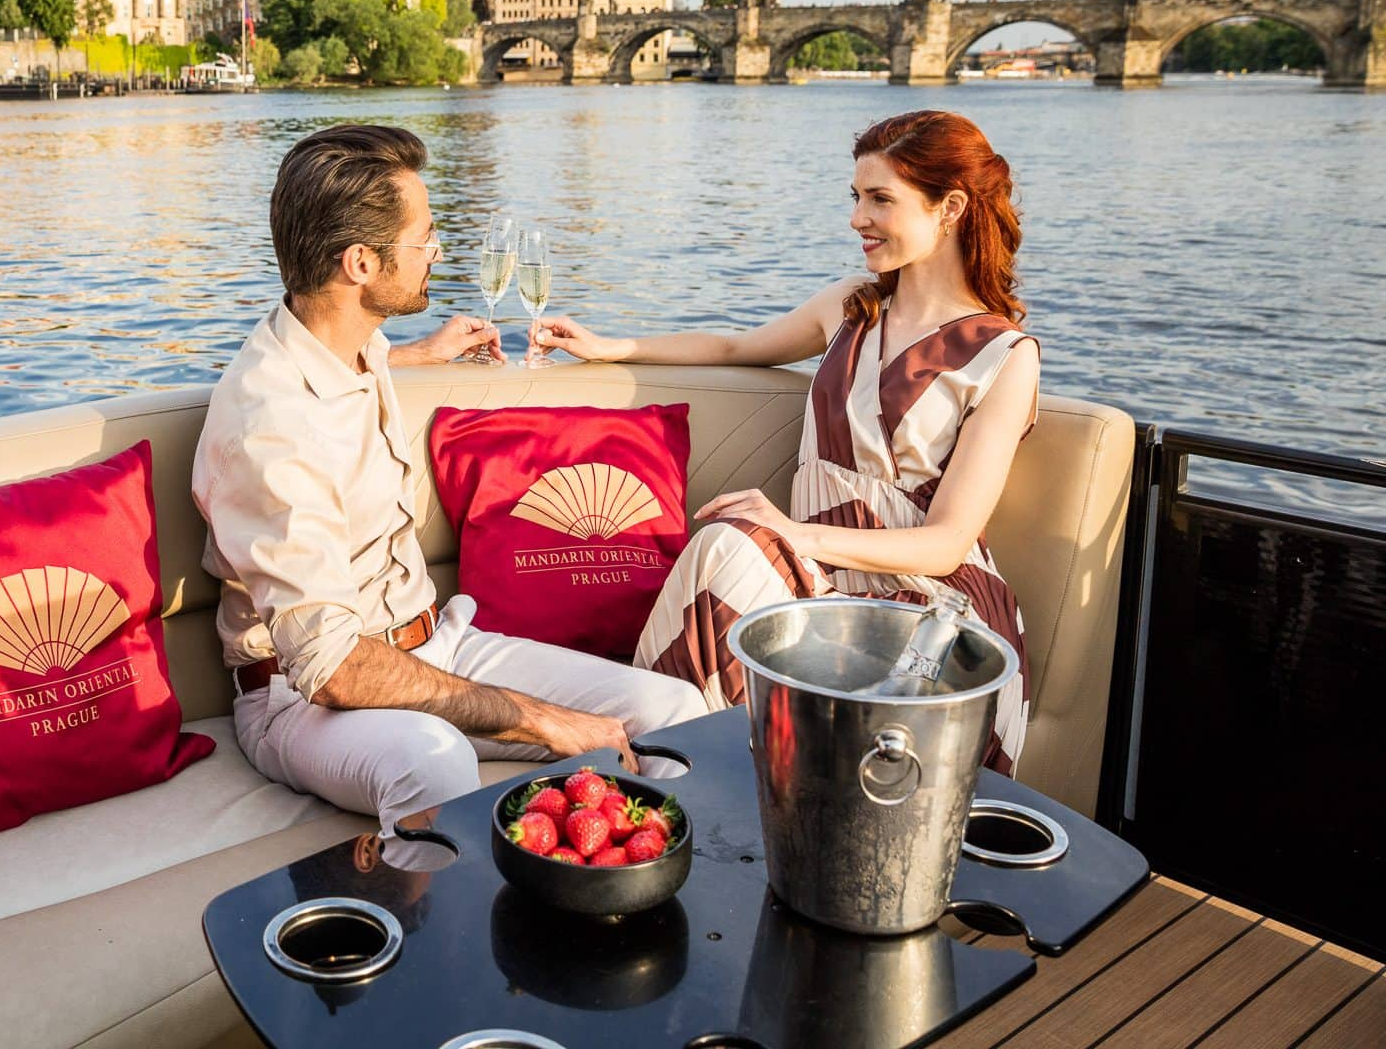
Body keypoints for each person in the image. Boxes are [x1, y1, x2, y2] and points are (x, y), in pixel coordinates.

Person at [193, 125, 705, 833]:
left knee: (675, 714)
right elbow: (335, 669)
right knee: (432, 761)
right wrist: (537, 719)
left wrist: (421, 354)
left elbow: (347, 374)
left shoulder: (341, 339)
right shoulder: (269, 428)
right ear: (361, 263)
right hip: (305, 703)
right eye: (424, 240)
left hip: (437, 642)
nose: (438, 253)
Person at [532, 109, 1039, 772]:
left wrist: (795, 534)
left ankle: (665, 780)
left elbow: (948, 540)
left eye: (880, 199)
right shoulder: (853, 306)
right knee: (726, 544)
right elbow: (733, 345)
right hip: (821, 585)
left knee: (735, 541)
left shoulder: (1005, 355)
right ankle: (673, 778)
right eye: (855, 197)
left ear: (950, 208)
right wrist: (607, 348)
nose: (858, 218)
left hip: (928, 608)